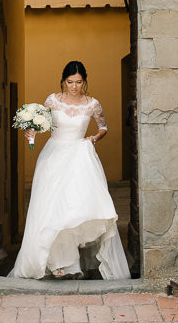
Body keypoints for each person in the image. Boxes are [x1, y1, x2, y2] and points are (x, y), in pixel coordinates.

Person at [8, 61, 131, 280]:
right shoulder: (52, 100)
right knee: (50, 209)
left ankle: (69, 262)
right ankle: (56, 264)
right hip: (53, 157)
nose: (74, 86)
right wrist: (31, 132)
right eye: (70, 82)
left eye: (79, 82)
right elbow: (40, 124)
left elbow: (103, 127)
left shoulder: (92, 103)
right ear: (63, 80)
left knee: (72, 209)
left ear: (85, 81)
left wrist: (94, 137)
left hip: (80, 157)